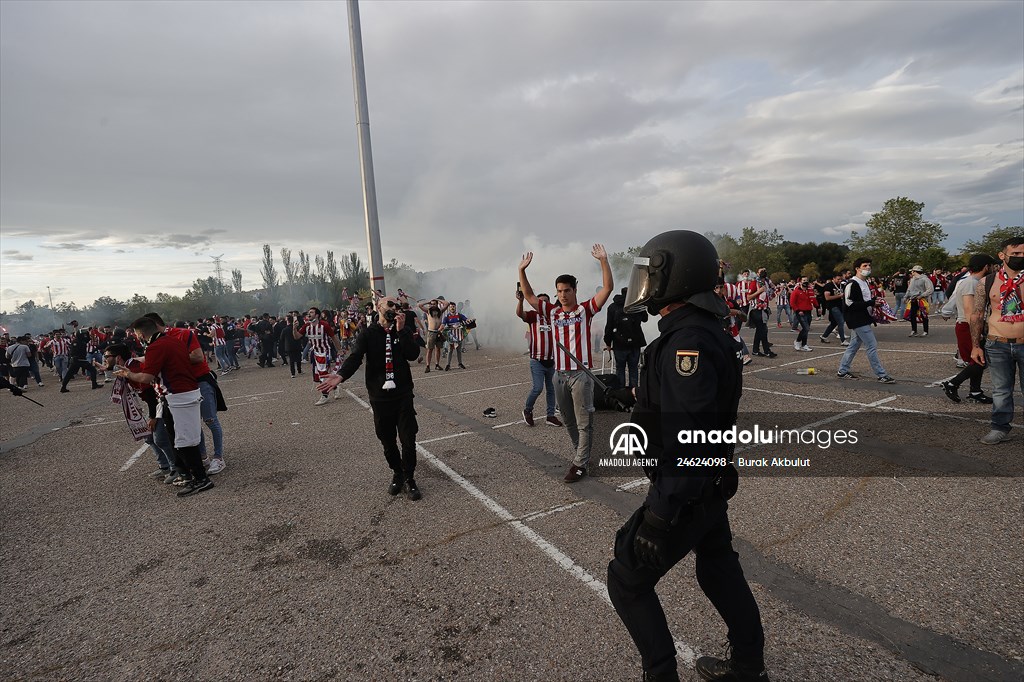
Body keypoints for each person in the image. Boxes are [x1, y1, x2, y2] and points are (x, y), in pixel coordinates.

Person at [604, 230, 768, 682]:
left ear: (674, 276)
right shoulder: (698, 330)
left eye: (650, 274)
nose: (645, 284)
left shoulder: (685, 342)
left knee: (627, 581)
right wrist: (633, 394)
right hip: (708, 481)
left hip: (686, 488)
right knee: (717, 567)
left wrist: (659, 517)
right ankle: (748, 667)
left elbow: (690, 437)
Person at [518, 243, 614, 483]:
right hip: (559, 374)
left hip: (580, 374)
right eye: (559, 291)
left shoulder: (585, 310)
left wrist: (603, 261)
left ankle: (579, 463)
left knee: (584, 422)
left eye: (567, 290)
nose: (563, 295)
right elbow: (529, 296)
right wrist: (522, 271)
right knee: (569, 420)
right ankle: (582, 455)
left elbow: (608, 288)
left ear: (574, 290)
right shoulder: (552, 312)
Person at [317, 296, 423, 500]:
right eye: (390, 304)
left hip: (402, 394)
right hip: (379, 396)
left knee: (408, 439)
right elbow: (355, 357)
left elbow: (412, 354)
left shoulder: (403, 330)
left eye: (396, 305)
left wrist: (402, 331)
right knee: (387, 440)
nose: (394, 308)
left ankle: (410, 478)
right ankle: (397, 473)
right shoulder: (368, 333)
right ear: (379, 307)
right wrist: (340, 375)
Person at [117, 316, 213, 497]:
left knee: (184, 441)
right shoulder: (173, 341)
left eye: (137, 335)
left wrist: (128, 374)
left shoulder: (156, 346)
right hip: (182, 394)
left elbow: (146, 377)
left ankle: (201, 479)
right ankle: (193, 476)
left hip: (177, 396)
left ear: (141, 334)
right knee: (181, 439)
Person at [970, 236, 1024, 445]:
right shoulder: (987, 282)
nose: (1020, 257)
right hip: (997, 343)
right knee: (1001, 390)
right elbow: (977, 314)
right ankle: (999, 427)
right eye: (1016, 253)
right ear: (1002, 255)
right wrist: (976, 346)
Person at [940, 255, 997, 405]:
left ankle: (975, 392)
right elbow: (969, 310)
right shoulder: (971, 283)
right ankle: (952, 384)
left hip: (970, 325)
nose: (994, 269)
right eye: (992, 266)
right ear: (986, 267)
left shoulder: (973, 282)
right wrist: (977, 331)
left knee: (978, 361)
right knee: (980, 361)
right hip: (968, 325)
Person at [837, 258, 896, 383]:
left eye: (869, 265)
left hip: (864, 317)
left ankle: (842, 370)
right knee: (871, 345)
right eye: (865, 265)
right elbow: (849, 303)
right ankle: (881, 374)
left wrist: (874, 301)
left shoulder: (865, 282)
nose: (868, 267)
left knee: (854, 345)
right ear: (857, 268)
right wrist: (871, 303)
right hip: (857, 319)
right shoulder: (852, 284)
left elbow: (864, 300)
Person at [516, 288, 562, 427]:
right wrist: (521, 301)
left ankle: (550, 416)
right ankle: (528, 410)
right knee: (537, 388)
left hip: (552, 360)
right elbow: (520, 314)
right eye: (540, 301)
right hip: (537, 360)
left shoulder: (554, 316)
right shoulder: (533, 315)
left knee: (552, 389)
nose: (542, 304)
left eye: (545, 302)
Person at [296, 307, 343, 405]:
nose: (309, 314)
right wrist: (293, 328)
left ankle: (325, 395)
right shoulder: (307, 326)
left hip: (324, 352)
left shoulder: (324, 325)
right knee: (318, 375)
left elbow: (334, 337)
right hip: (315, 353)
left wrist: (339, 350)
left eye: (311, 312)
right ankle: (334, 387)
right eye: (308, 312)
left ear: (317, 315)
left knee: (323, 374)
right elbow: (297, 336)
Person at [604, 286, 650, 385]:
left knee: (620, 369)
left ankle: (621, 391)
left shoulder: (612, 307)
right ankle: (633, 392)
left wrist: (608, 342)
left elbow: (609, 326)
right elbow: (645, 319)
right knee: (633, 369)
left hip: (619, 343)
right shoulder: (637, 305)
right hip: (635, 343)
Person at [60, 321, 101, 392]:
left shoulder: (81, 340)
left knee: (69, 374)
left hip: (79, 360)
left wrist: (92, 329)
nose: (85, 336)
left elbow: (89, 337)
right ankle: (94, 384)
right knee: (92, 370)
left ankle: (63, 387)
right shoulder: (76, 342)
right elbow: (73, 352)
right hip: (78, 360)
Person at [819, 273, 848, 346]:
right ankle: (843, 340)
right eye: (838, 279)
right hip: (833, 306)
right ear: (833, 278)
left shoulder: (842, 285)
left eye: (841, 279)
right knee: (841, 322)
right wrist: (839, 296)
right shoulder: (828, 286)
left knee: (834, 323)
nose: (839, 281)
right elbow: (827, 297)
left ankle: (824, 336)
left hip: (841, 306)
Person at [440, 301, 470, 371]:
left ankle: (460, 363)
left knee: (459, 350)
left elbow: (466, 319)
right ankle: (448, 365)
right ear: (449, 308)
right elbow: (443, 324)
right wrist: (440, 329)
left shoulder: (459, 315)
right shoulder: (447, 317)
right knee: (450, 350)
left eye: (453, 306)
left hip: (459, 335)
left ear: (455, 307)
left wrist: (470, 321)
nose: (452, 308)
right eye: (451, 307)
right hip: (451, 336)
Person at [418, 298, 445, 372]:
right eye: (432, 304)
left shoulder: (440, 311)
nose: (433, 305)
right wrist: (428, 302)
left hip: (438, 332)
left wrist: (437, 299)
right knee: (430, 349)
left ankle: (437, 364)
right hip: (431, 332)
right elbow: (419, 305)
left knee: (438, 349)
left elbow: (447, 304)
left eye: (434, 304)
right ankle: (428, 366)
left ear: (437, 304)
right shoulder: (428, 311)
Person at [788, 277, 816, 352]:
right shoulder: (796, 291)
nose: (805, 282)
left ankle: (804, 344)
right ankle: (797, 341)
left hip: (808, 311)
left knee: (806, 329)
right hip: (800, 312)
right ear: (800, 282)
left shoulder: (809, 291)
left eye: (806, 281)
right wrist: (797, 310)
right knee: (806, 328)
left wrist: (817, 307)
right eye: (803, 281)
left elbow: (813, 299)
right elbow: (792, 302)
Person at [905, 265, 932, 337]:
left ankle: (925, 331)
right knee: (912, 315)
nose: (911, 273)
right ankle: (914, 330)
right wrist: (906, 297)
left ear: (915, 271)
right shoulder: (912, 280)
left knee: (924, 315)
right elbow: (909, 289)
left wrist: (922, 295)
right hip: (913, 299)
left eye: (912, 271)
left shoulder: (925, 279)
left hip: (922, 300)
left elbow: (930, 289)